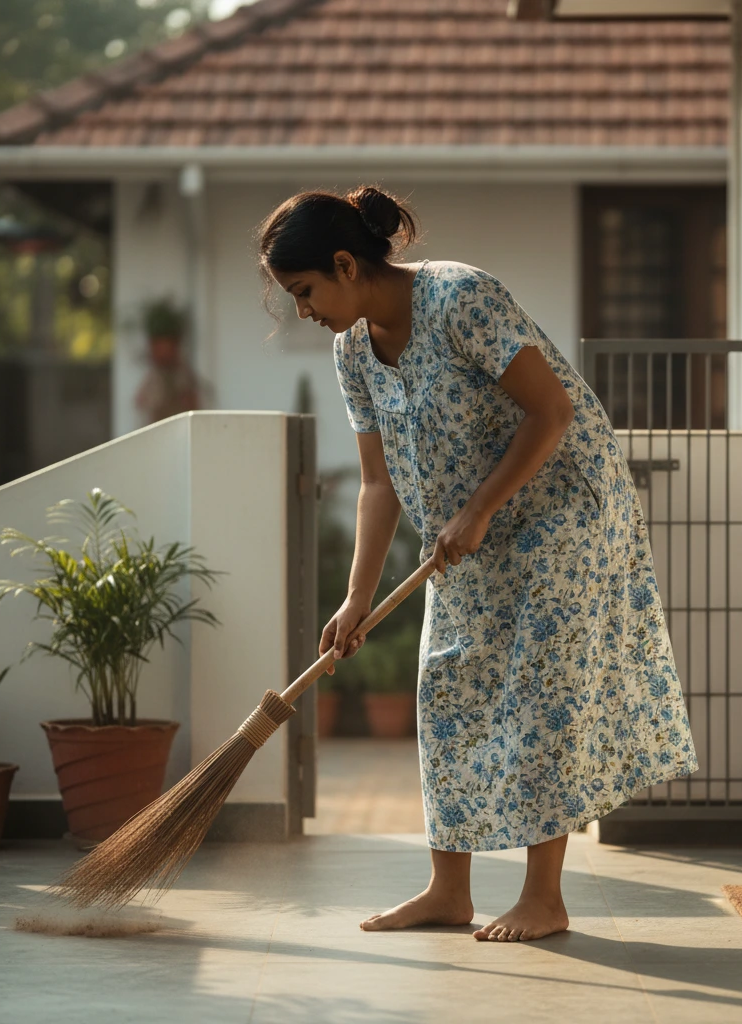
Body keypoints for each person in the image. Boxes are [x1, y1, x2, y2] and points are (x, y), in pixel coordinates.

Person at [257, 186, 698, 942]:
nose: (302, 310)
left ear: (344, 264)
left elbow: (551, 412)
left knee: (537, 694)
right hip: (466, 534)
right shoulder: (352, 349)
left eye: (303, 292)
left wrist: (481, 508)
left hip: (563, 513)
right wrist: (356, 595)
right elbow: (377, 480)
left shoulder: (461, 297)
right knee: (444, 688)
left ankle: (544, 897)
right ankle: (448, 890)